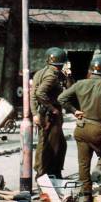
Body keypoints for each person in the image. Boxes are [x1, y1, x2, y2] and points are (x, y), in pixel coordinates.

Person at [58, 56, 101, 202]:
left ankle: (86, 195)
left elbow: (61, 98)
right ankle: (99, 168)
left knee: (83, 163)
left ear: (91, 71)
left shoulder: (80, 84)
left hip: (81, 127)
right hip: (97, 127)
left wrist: (74, 110)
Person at [30, 47, 68, 179]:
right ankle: (44, 174)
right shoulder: (52, 76)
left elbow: (33, 95)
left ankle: (51, 172)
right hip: (50, 115)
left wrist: (35, 113)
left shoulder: (40, 73)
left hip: (43, 113)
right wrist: (52, 108)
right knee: (49, 146)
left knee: (57, 144)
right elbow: (40, 93)